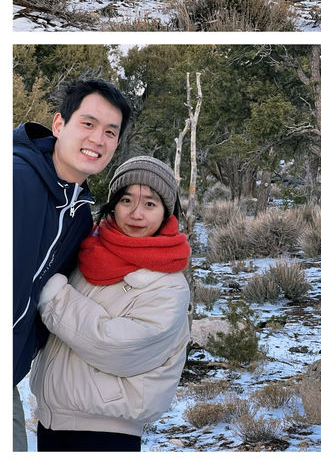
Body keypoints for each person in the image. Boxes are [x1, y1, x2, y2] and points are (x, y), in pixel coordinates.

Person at [30, 156, 191, 452]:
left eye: (150, 204)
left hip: (107, 432)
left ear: (166, 212)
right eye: (127, 199)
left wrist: (53, 295)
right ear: (113, 203)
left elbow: (119, 347)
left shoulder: (168, 284)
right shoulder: (90, 250)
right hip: (53, 421)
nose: (136, 213)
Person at [13, 77, 131, 452]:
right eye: (88, 124)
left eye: (110, 132)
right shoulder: (15, 179)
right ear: (59, 124)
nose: (98, 139)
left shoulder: (80, 214)